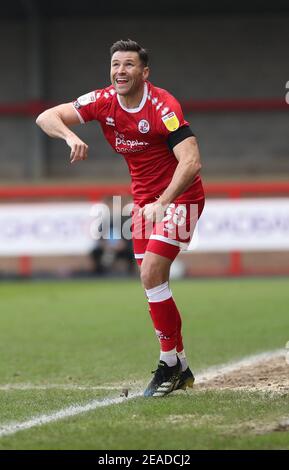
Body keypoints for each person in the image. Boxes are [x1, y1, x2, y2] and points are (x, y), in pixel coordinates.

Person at [36, 39, 205, 397]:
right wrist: (69, 136)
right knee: (152, 284)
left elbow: (191, 162)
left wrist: (164, 201)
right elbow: (45, 116)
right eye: (115, 65)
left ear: (144, 73)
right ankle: (182, 365)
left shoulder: (163, 106)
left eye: (128, 65)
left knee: (150, 271)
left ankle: (168, 364)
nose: (120, 71)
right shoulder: (103, 101)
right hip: (144, 203)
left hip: (181, 197)